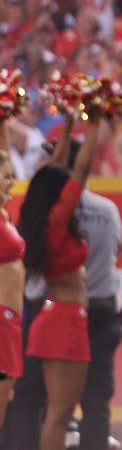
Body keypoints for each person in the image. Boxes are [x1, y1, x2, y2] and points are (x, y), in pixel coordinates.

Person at [17, 104, 104, 450]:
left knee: (60, 411)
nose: (69, 185)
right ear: (57, 193)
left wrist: (68, 124)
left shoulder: (41, 215)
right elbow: (80, 170)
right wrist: (95, 118)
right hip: (64, 320)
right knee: (60, 412)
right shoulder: (56, 220)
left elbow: (57, 169)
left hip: (61, 317)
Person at [0, 119, 27, 430]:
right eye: (6, 179)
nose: (11, 182)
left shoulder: (5, 214)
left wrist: (4, 116)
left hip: (11, 324)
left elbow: (4, 156)